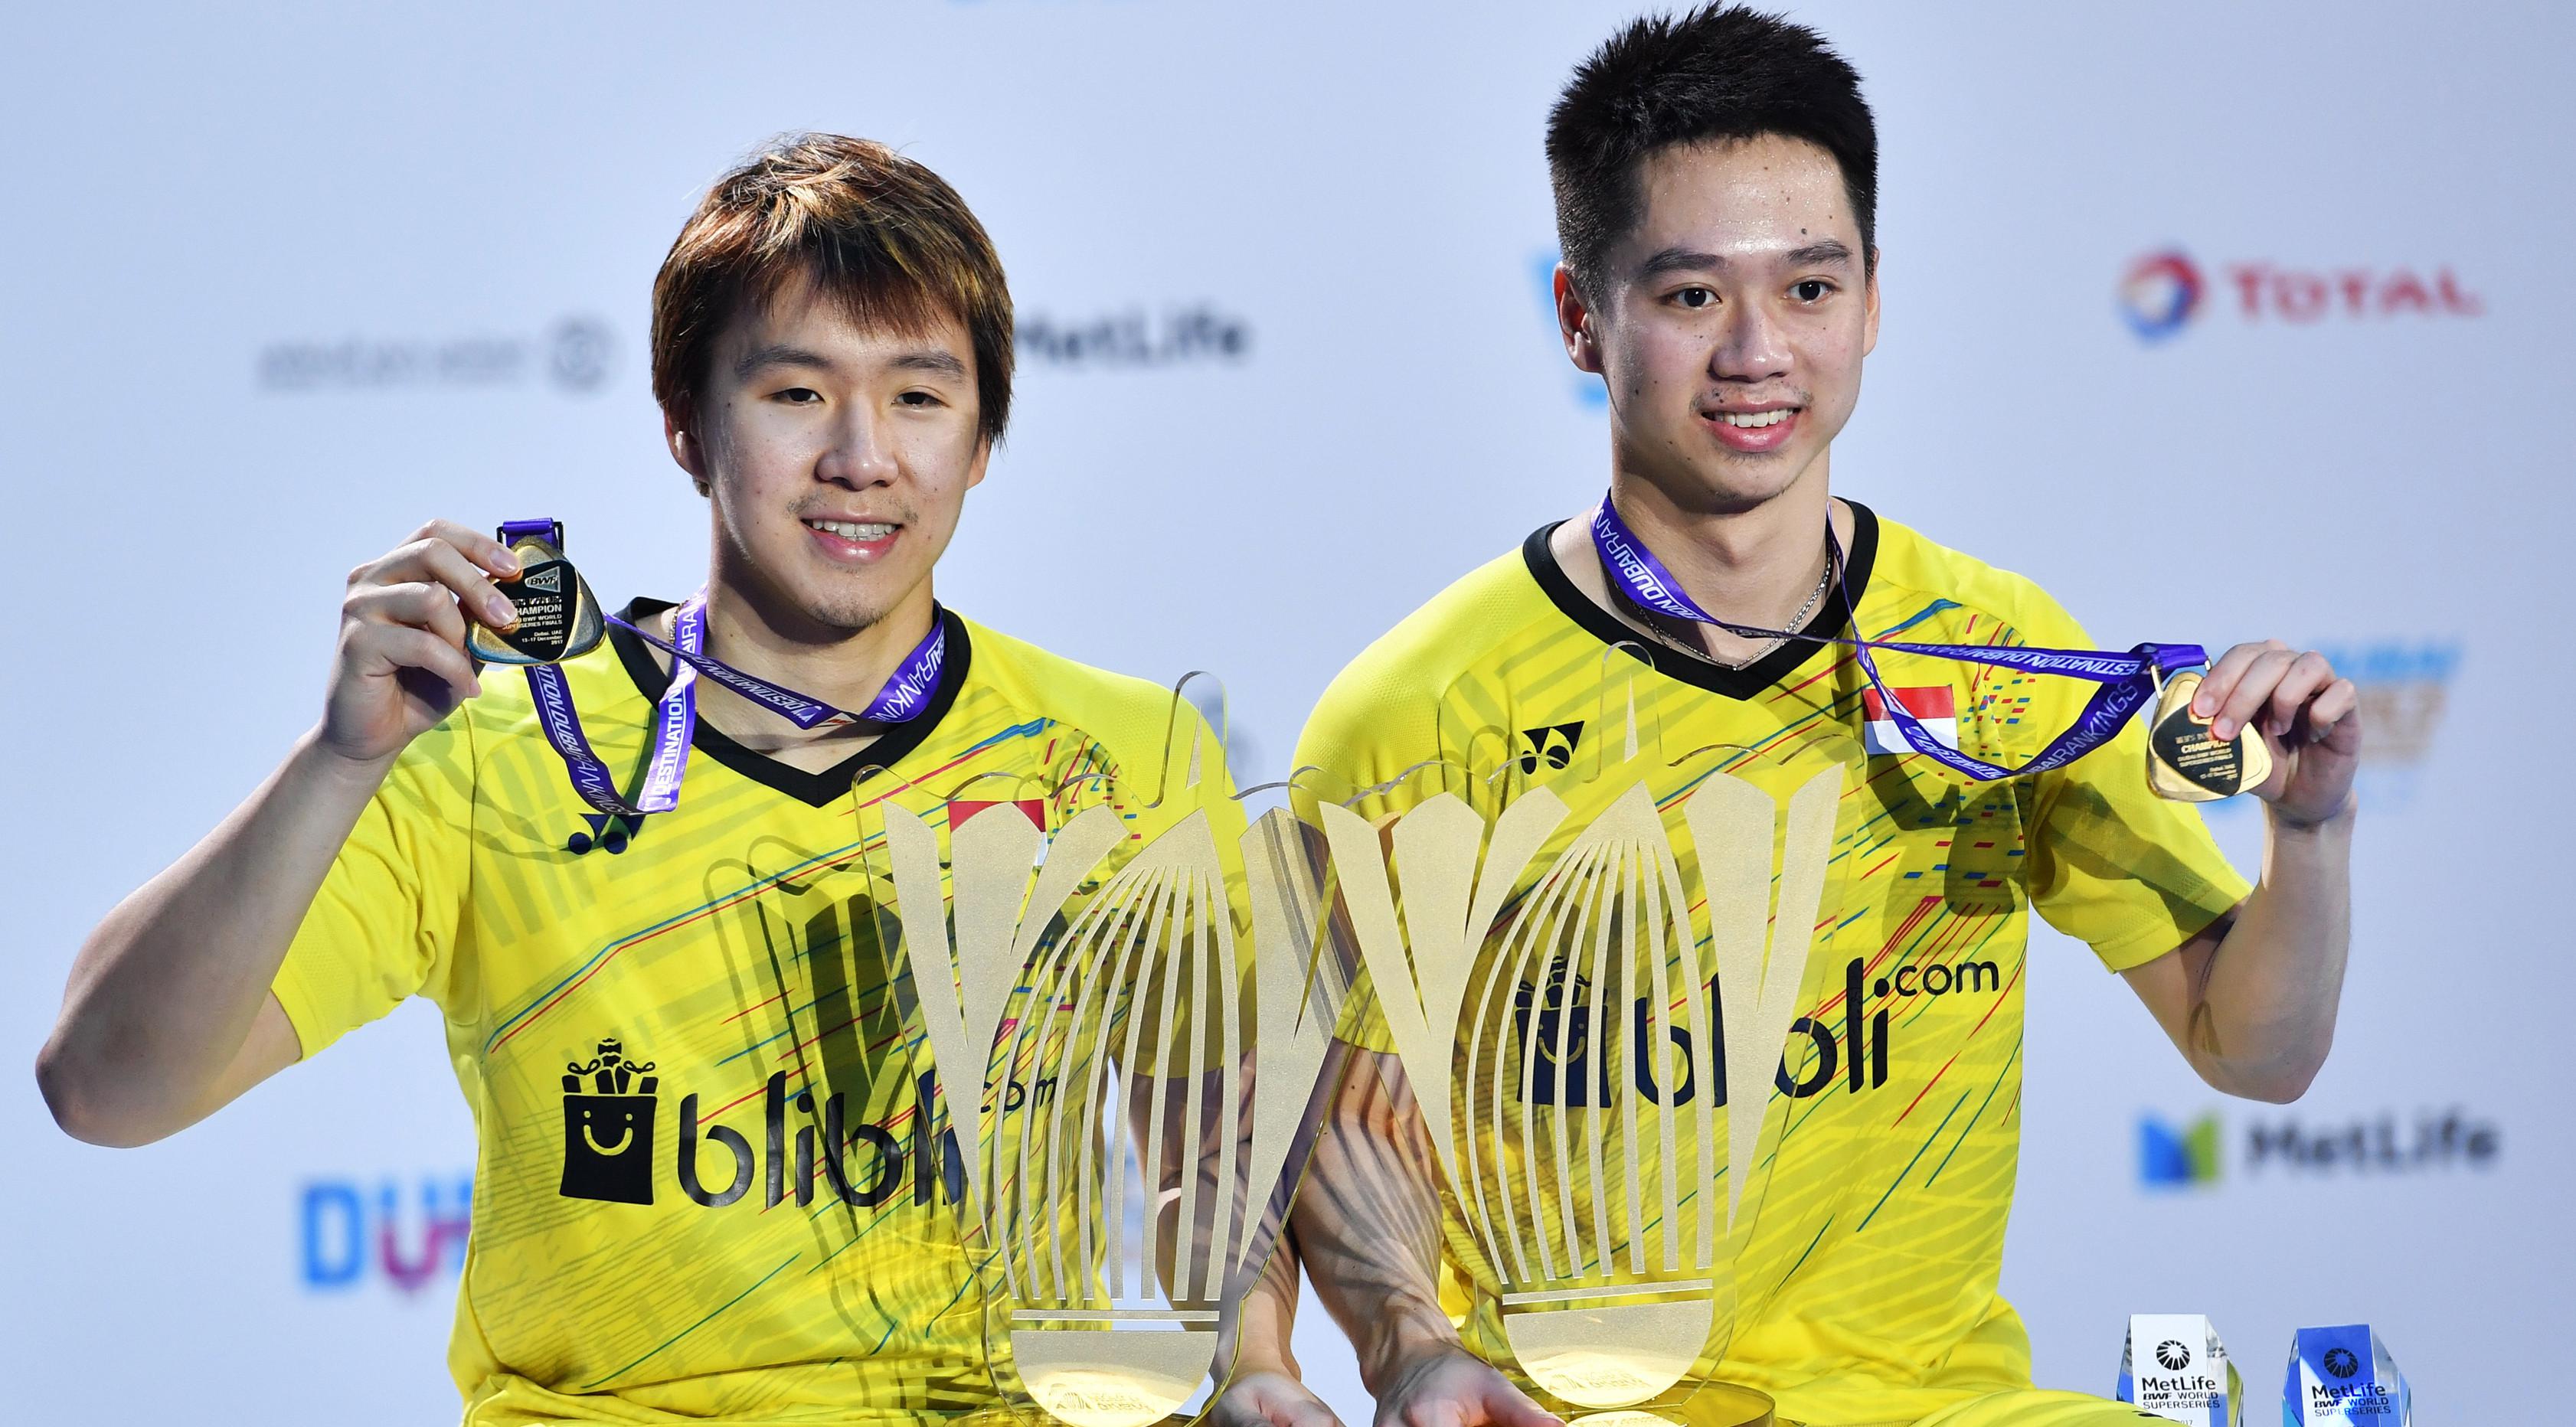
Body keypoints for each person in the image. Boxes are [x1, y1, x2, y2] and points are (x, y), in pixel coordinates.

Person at [1231, 8, 2362, 1427]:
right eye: (1693, 296)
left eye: (1812, 289)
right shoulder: (1420, 714)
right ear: (1584, 316)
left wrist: (2308, 830)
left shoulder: (1995, 653)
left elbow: (2252, 1051)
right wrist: (1402, 1348)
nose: (1760, 352)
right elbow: (1326, 1131)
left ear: (1875, 303)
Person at [37, 133, 1238, 1425]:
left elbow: (1225, 1174)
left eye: (920, 398)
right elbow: (105, 1089)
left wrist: (1264, 1372)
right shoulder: (490, 753)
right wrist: (338, 763)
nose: (860, 457)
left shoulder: (1129, 753)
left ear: (984, 435)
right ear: (685, 421)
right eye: (794, 395)